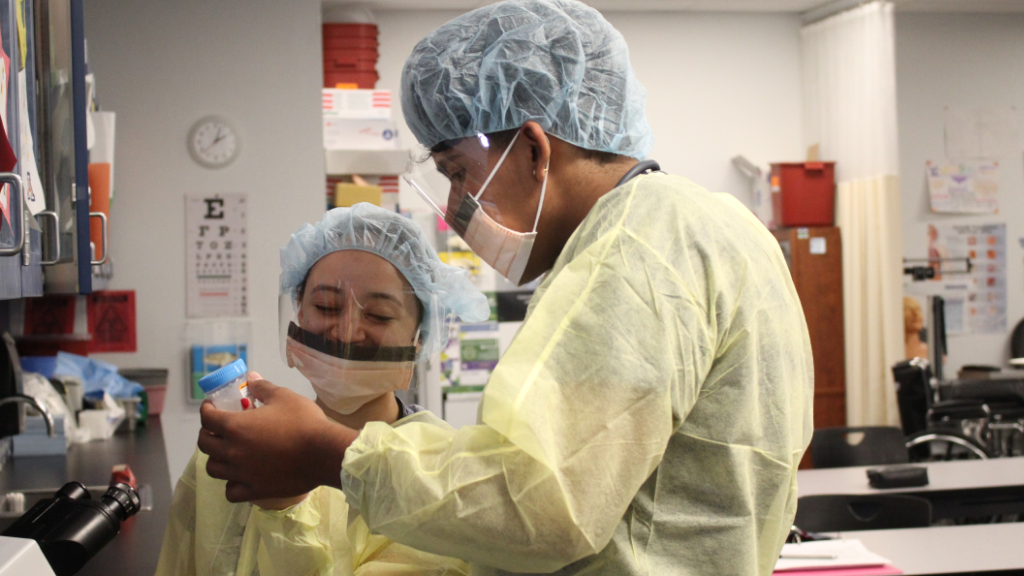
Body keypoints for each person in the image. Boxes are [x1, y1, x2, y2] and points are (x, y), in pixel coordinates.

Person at [198, 1, 814, 574]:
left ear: (534, 148)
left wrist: (327, 455)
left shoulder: (631, 248)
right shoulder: (719, 225)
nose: (455, 206)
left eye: (458, 172)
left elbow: (539, 504)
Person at [157, 203, 487, 576]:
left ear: (418, 337)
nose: (347, 332)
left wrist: (284, 509)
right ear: (299, 310)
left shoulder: (438, 471)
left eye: (378, 315)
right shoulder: (238, 442)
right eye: (326, 306)